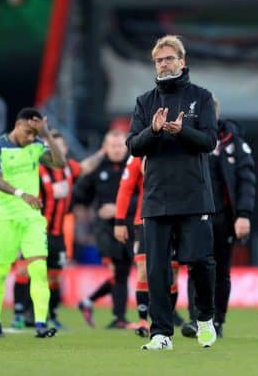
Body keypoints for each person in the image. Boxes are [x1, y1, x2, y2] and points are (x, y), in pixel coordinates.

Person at [127, 34, 217, 350]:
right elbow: (133, 146)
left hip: (193, 194)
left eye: (169, 59)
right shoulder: (145, 102)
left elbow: (209, 141)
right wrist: (152, 131)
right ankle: (161, 333)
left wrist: (182, 131)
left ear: (182, 60)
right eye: (159, 60)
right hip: (156, 196)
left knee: (201, 261)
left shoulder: (202, 98)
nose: (164, 65)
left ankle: (205, 317)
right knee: (156, 268)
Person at [11, 129, 106, 329]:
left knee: (53, 276)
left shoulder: (69, 168)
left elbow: (86, 167)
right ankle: (19, 314)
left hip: (57, 233)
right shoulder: (34, 169)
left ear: (65, 149)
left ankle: (51, 315)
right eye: (50, 145)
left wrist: (103, 151)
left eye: (59, 146)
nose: (54, 150)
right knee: (25, 270)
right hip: (34, 231)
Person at [0, 108, 66, 338]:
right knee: (1, 272)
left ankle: (41, 325)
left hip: (32, 219)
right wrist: (22, 194)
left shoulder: (37, 145)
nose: (32, 138)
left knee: (38, 271)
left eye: (35, 133)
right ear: (19, 125)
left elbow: (60, 164)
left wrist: (47, 135)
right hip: (4, 218)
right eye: (29, 132)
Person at [182, 96, 256, 338]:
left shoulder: (233, 142)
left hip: (224, 217)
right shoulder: (186, 139)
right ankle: (196, 320)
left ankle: (218, 321)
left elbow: (247, 180)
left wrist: (243, 214)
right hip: (194, 215)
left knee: (221, 271)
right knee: (195, 267)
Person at [113, 155, 184, 338]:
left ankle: (165, 318)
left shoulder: (181, 149)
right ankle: (143, 320)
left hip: (177, 218)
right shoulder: (138, 153)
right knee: (143, 269)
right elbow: (125, 189)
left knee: (173, 271)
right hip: (146, 218)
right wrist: (119, 221)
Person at [75, 130, 132, 329]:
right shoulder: (97, 168)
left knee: (122, 272)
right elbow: (80, 196)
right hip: (105, 230)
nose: (117, 150)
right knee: (118, 270)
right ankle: (119, 318)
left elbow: (144, 195)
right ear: (105, 148)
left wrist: (118, 209)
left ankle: (88, 302)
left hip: (129, 226)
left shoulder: (134, 166)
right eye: (113, 146)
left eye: (120, 146)